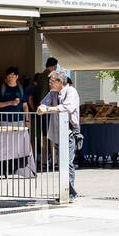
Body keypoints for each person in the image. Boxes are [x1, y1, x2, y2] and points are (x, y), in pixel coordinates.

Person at [36, 70, 81, 200]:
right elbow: (43, 103)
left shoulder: (71, 91)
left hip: (69, 130)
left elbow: (67, 108)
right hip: (56, 131)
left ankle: (70, 193)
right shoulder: (52, 93)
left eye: (52, 81)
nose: (50, 84)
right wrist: (41, 107)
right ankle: (64, 192)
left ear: (60, 82)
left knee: (68, 162)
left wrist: (48, 109)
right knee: (61, 163)